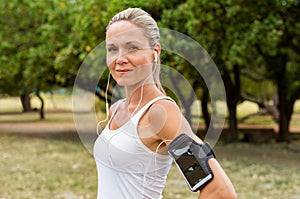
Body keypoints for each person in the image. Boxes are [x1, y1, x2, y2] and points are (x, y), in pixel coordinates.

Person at [93, 7, 236, 199]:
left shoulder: (160, 112)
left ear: (155, 52)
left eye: (132, 48)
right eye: (112, 49)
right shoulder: (115, 109)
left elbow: (220, 191)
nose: (120, 59)